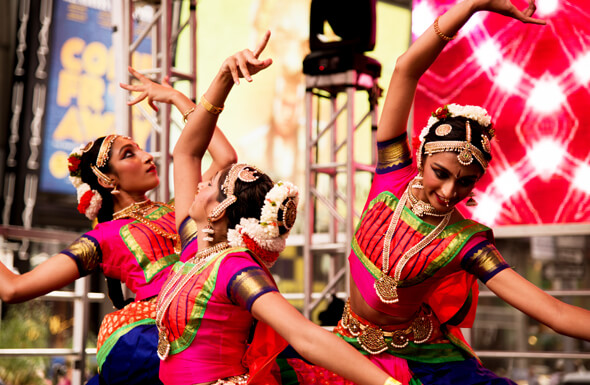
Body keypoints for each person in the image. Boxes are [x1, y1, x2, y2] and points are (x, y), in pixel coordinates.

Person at [329, 0, 590, 384]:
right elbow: (405, 70)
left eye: (466, 182)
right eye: (441, 173)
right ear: (419, 158)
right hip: (347, 350)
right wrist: (471, 5)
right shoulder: (391, 174)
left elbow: (553, 312)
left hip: (425, 365)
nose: (450, 190)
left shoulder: (465, 242)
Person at [123, 31, 400, 385]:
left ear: (220, 208)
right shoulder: (195, 249)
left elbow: (305, 335)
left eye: (210, 184)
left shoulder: (235, 269)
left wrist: (386, 384)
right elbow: (188, 152)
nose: (200, 182)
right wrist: (218, 81)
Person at [0, 86, 237, 384]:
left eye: (139, 149)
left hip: (210, 307)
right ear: (106, 179)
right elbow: (13, 289)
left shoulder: (178, 209)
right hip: (161, 335)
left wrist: (177, 98)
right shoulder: (103, 237)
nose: (147, 156)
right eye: (130, 154)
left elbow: (225, 157)